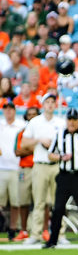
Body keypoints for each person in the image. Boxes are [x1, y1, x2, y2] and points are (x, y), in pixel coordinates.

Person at [43, 108, 78, 248]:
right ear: (66, 120)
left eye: (74, 119)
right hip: (64, 176)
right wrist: (61, 157)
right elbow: (50, 154)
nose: (72, 122)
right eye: (69, 119)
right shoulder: (59, 135)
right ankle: (53, 241)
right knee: (58, 209)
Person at [21, 93, 63, 244]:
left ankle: (60, 233)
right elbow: (24, 143)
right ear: (43, 105)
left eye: (53, 102)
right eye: (48, 102)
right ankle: (35, 234)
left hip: (56, 165)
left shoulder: (60, 122)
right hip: (40, 164)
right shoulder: (35, 122)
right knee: (38, 201)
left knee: (58, 201)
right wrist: (39, 140)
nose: (50, 105)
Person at [13, 106, 40, 241]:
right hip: (25, 168)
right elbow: (18, 151)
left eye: (34, 114)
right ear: (26, 117)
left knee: (41, 201)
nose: (32, 117)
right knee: (23, 200)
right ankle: (23, 230)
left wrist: (28, 147)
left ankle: (41, 230)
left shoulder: (41, 131)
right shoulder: (21, 133)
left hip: (39, 167)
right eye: (29, 115)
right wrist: (34, 148)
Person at [0, 102, 25, 241]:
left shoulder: (21, 125)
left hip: (17, 167)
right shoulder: (0, 125)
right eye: (6, 109)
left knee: (16, 201)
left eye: (11, 109)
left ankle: (13, 228)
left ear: (14, 111)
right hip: (1, 167)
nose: (8, 112)